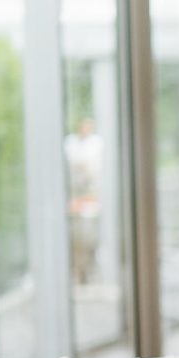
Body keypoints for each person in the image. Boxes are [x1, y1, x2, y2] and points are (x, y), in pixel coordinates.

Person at [64, 118, 103, 285]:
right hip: (76, 207)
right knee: (76, 241)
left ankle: (85, 271)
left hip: (88, 207)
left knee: (87, 240)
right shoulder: (71, 144)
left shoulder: (96, 145)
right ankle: (79, 272)